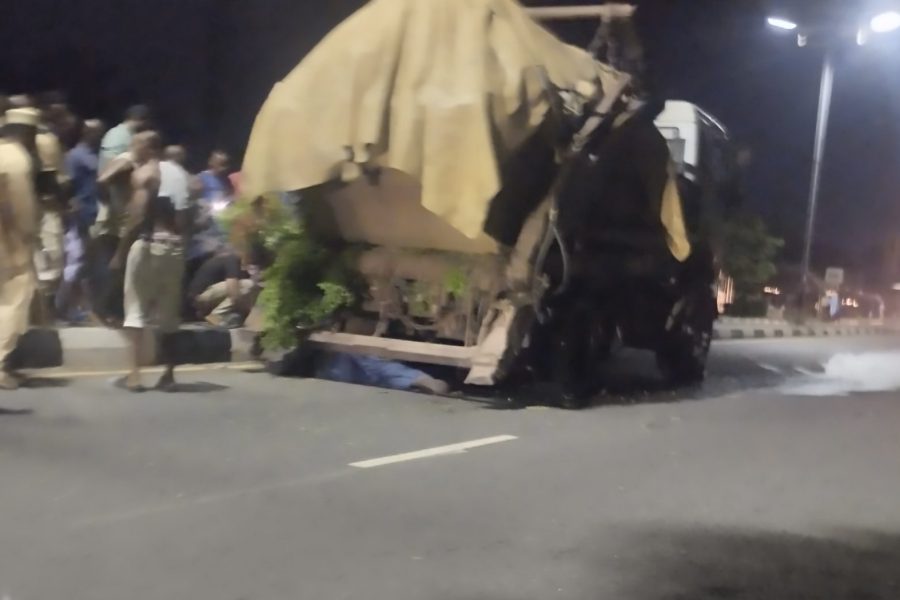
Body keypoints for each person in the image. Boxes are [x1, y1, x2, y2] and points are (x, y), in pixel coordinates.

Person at [116, 131, 185, 392]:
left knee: (135, 309)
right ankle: (168, 375)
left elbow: (136, 216)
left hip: (148, 244)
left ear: (149, 148)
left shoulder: (145, 173)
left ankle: (134, 375)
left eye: (136, 144)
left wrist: (120, 252)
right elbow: (187, 217)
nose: (132, 149)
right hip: (176, 248)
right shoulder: (180, 173)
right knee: (169, 315)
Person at [0, 108, 41, 390]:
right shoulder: (18, 160)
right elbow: (21, 209)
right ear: (28, 133)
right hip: (8, 242)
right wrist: (28, 239)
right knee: (14, 299)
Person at [56, 119, 105, 323]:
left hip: (94, 213)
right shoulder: (76, 156)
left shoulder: (95, 156)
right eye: (97, 132)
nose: (100, 136)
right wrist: (69, 207)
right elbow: (67, 185)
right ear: (87, 132)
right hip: (81, 215)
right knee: (76, 262)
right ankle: (61, 306)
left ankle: (79, 309)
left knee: (86, 265)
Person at [187, 251, 257, 328]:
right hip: (199, 298)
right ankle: (216, 315)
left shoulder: (225, 261)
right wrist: (244, 310)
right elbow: (232, 291)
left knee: (242, 289)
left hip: (199, 300)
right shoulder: (232, 259)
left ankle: (211, 315)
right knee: (248, 284)